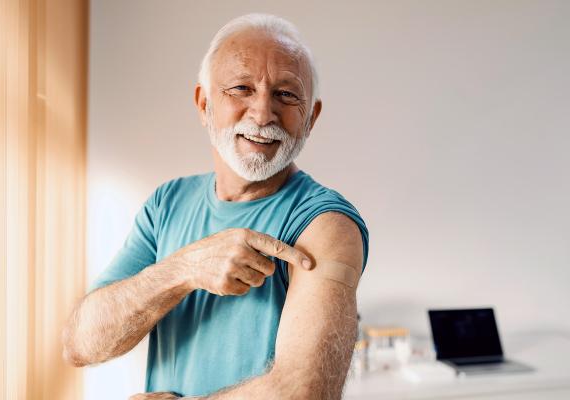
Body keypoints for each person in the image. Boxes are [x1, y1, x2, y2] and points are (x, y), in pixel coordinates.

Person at [62, 13, 369, 399]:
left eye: (287, 95)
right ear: (203, 103)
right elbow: (82, 343)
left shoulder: (327, 224)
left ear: (311, 118)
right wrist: (184, 269)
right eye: (241, 88)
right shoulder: (167, 203)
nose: (262, 114)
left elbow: (306, 391)